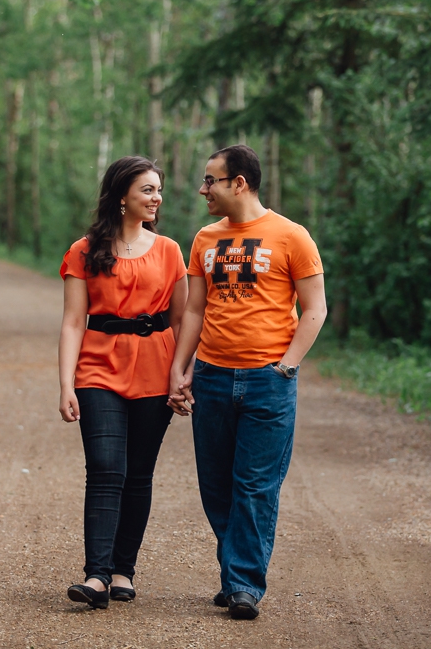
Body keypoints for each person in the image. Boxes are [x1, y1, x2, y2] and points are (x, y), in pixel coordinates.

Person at [168, 144, 327, 620]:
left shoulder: (291, 236)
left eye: (211, 180)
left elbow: (315, 309)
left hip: (268, 382)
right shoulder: (204, 238)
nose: (203, 190)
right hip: (213, 377)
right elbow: (194, 309)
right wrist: (182, 366)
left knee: (255, 486)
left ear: (239, 183)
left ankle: (243, 584)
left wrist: (288, 365)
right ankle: (237, 571)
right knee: (216, 485)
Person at [58, 155, 189, 609]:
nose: (156, 198)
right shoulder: (83, 249)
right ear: (121, 197)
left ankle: (122, 570)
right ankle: (95, 576)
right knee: (106, 467)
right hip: (97, 368)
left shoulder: (171, 250)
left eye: (158, 190)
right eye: (147, 190)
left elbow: (181, 319)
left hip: (155, 367)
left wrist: (182, 375)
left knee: (138, 474)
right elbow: (74, 321)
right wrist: (65, 384)